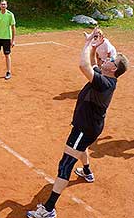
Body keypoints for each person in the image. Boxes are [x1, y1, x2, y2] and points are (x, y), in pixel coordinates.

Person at [27, 27, 129, 218]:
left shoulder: (105, 83)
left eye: (110, 60)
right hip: (90, 127)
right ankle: (87, 172)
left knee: (65, 165)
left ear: (114, 69)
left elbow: (84, 66)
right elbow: (93, 63)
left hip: (85, 127)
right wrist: (95, 46)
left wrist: (87, 43)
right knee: (81, 147)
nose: (106, 59)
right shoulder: (105, 76)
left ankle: (49, 209)